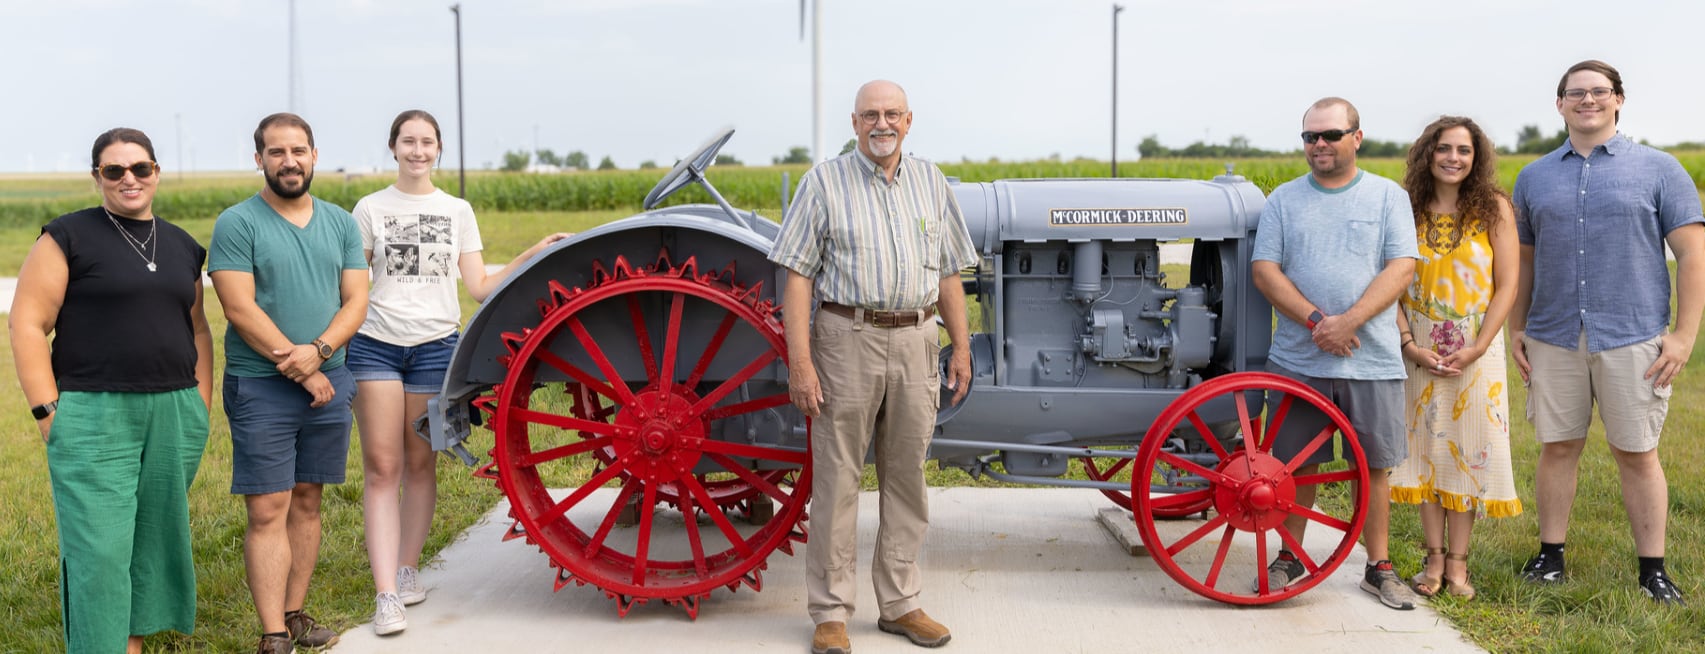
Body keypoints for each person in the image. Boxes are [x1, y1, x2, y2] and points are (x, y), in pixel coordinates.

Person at [768, 79, 978, 654]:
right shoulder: (823, 183)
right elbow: (797, 275)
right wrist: (801, 361)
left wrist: (959, 346)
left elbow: (950, 271)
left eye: (891, 114)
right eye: (870, 115)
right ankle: (831, 612)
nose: (881, 124)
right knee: (837, 478)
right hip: (846, 337)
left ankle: (902, 603)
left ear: (909, 120)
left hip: (916, 337)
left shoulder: (932, 182)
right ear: (854, 122)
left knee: (907, 476)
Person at [349, 109, 569, 635]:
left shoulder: (456, 210)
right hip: (376, 346)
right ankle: (386, 597)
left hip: (435, 347)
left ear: (439, 149)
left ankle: (407, 571)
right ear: (394, 147)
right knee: (383, 468)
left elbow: (478, 286)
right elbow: (355, 288)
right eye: (408, 141)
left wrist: (533, 253)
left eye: (426, 142)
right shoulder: (369, 208)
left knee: (421, 465)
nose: (417, 151)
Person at [10, 128, 212, 654]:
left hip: (173, 411)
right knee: (99, 548)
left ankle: (132, 643)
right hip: (92, 413)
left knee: (152, 540)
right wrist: (47, 409)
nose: (129, 179)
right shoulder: (67, 236)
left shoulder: (183, 245)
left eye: (140, 168)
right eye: (114, 170)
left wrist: (201, 403)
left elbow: (198, 329)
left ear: (156, 173)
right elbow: (28, 323)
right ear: (97, 176)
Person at [1509, 60, 1703, 606]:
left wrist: (1684, 336)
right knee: (1558, 446)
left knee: (1637, 452)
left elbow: (1692, 255)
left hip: (1634, 335)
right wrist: (1516, 328)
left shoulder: (1660, 170)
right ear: (1560, 104)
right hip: (1552, 334)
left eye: (1599, 92)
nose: (1587, 100)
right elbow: (1523, 262)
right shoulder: (1534, 176)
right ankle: (1550, 557)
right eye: (1576, 93)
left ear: (1619, 99)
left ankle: (1653, 570)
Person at [208, 112, 370, 653]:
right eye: (276, 152)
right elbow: (238, 306)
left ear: (315, 155)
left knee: (307, 499)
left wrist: (321, 355)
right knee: (267, 508)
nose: (289, 161)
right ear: (259, 159)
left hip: (329, 379)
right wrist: (303, 370)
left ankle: (296, 614)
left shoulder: (341, 223)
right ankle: (272, 633)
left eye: (298, 150)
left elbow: (356, 302)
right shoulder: (238, 222)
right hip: (262, 386)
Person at [1251, 97, 1420, 610]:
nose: (1319, 145)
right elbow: (1266, 271)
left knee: (1373, 465)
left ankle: (1378, 566)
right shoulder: (1283, 199)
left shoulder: (1388, 197)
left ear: (1357, 138)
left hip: (1370, 360)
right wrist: (1319, 323)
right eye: (1310, 137)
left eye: (1330, 135)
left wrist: (1348, 322)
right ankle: (1291, 555)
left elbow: (1401, 267)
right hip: (1298, 360)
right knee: (1293, 466)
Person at [1388, 116, 1523, 601]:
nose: (1453, 158)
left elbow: (1507, 284)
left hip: (1476, 349)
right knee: (1426, 454)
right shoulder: (1406, 210)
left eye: (1463, 150)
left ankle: (1460, 565)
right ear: (1428, 154)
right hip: (1418, 350)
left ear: (1476, 157)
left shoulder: (1495, 211)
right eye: (1443, 148)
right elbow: (1392, 286)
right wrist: (1409, 345)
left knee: (1467, 452)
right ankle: (1433, 560)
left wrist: (1481, 345)